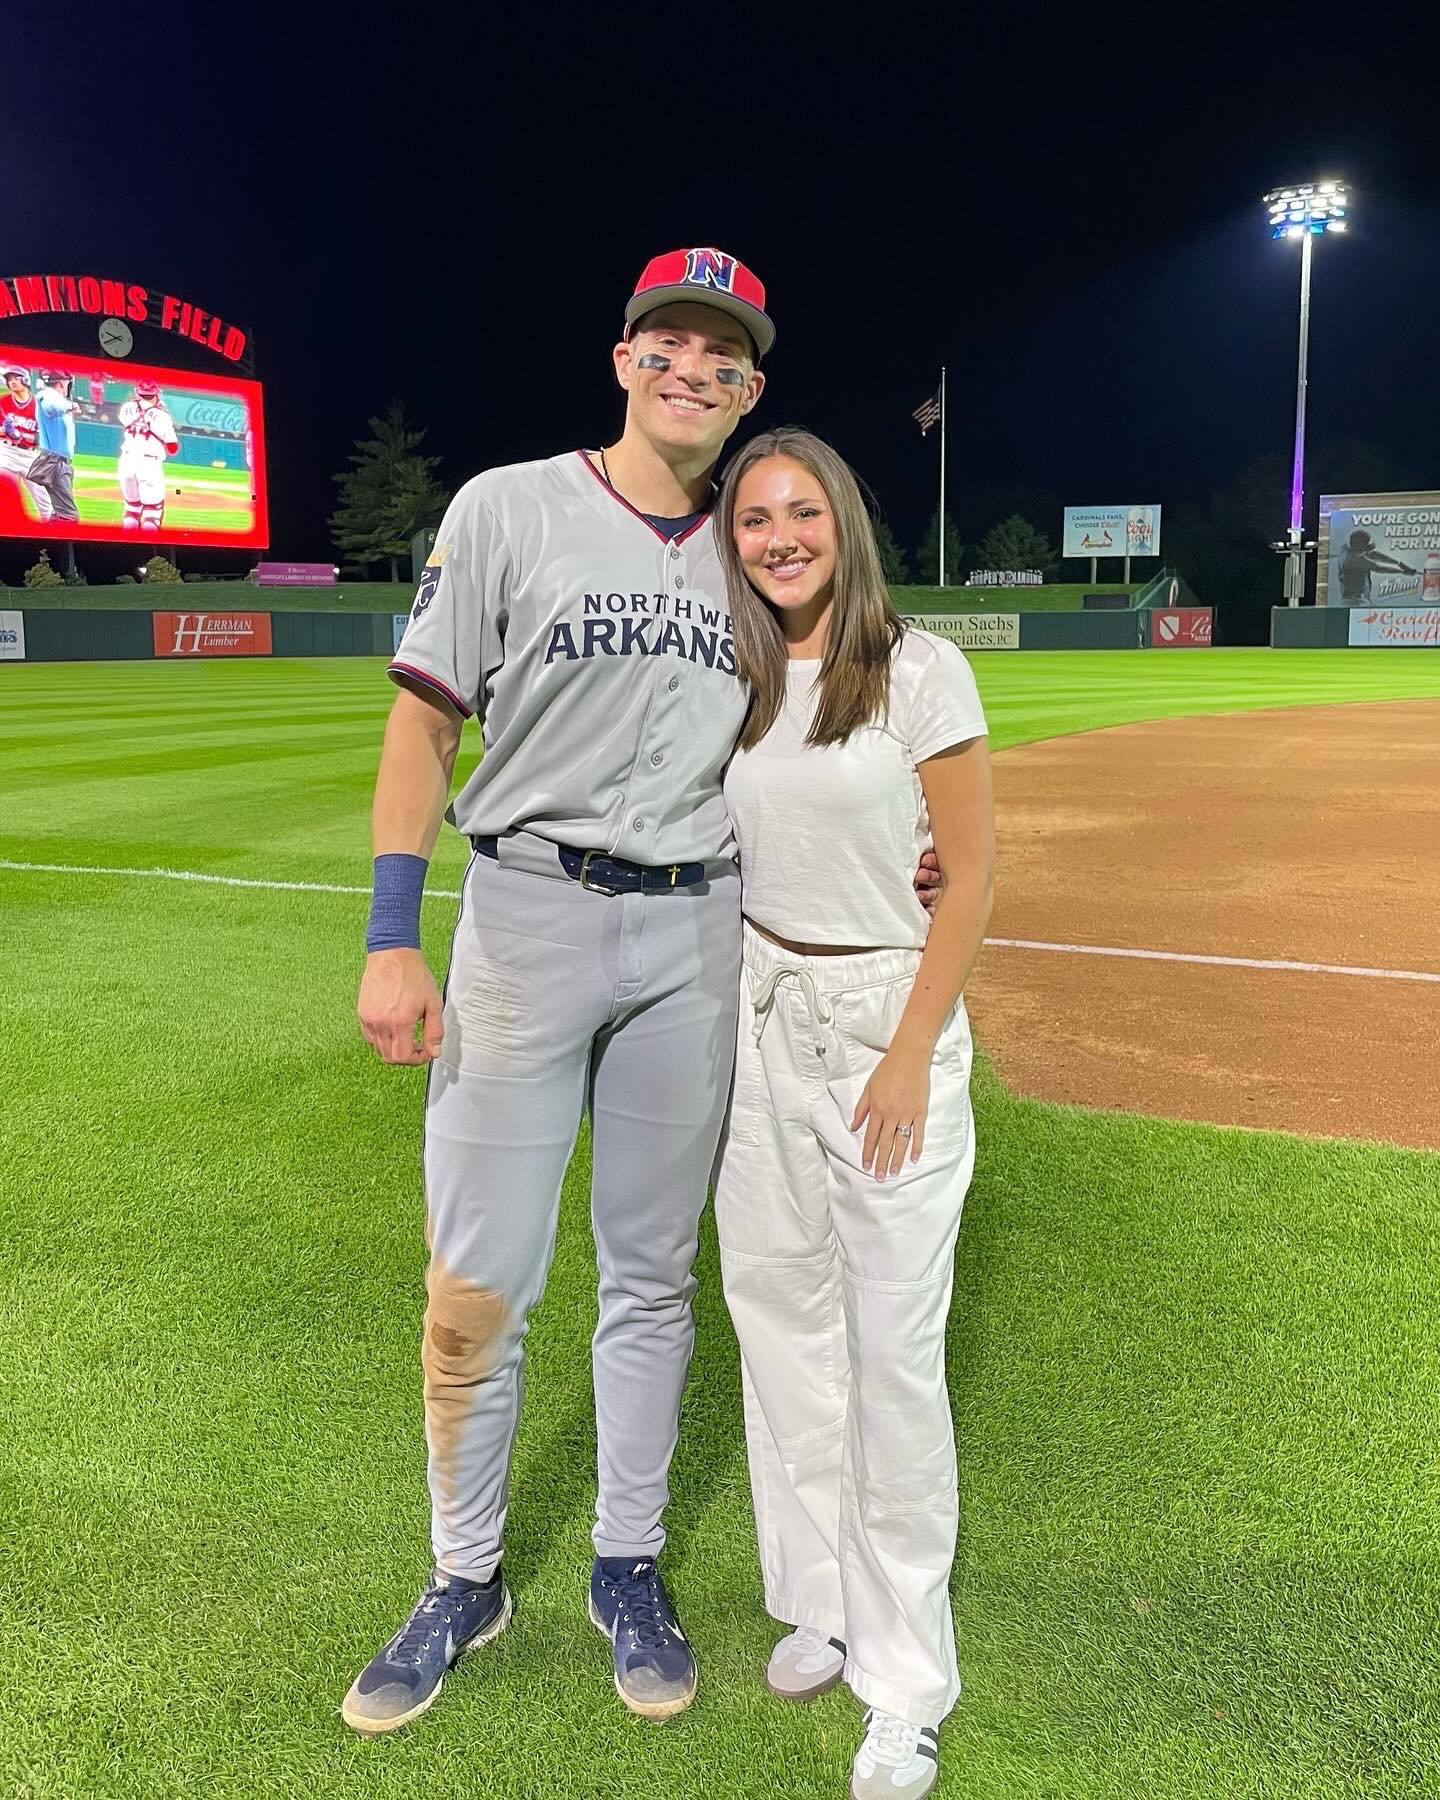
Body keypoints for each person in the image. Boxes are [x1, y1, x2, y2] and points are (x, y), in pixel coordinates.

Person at [345, 247, 776, 1737]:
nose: (693, 371)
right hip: (525, 916)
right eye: (670, 341)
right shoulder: (509, 506)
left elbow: (819, 736)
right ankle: (464, 1576)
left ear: (751, 389)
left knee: (652, 1273)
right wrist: (392, 936)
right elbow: (423, 734)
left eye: (724, 356)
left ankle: (625, 1561)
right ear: (623, 359)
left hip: (694, 934)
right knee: (478, 1279)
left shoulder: (760, 547)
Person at [713, 429, 994, 1800]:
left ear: (845, 522)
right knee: (782, 1329)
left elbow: (976, 875)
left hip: (889, 1027)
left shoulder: (922, 668)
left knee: (892, 1359)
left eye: (801, 511)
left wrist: (908, 1051)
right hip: (761, 1024)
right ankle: (819, 1601)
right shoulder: (735, 672)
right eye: (755, 517)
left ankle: (905, 1685)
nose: (778, 537)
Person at [117, 378, 179, 531]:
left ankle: (127, 544)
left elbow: (128, 418)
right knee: (153, 511)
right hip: (149, 464)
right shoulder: (162, 416)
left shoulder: (127, 407)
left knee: (132, 508)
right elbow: (172, 447)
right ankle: (151, 551)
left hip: (126, 461)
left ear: (138, 393)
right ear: (156, 394)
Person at [0, 367, 55, 521]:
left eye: (16, 378)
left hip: (29, 455)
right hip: (6, 452)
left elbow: (45, 436)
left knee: (45, 503)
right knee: (6, 496)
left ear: (25, 380)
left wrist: (24, 435)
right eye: (9, 379)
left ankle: (52, 537)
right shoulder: (3, 402)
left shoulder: (39, 405)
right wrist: (6, 430)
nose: (12, 382)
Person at [30, 370, 81, 523]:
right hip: (54, 461)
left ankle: (47, 543)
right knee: (69, 516)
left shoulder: (54, 398)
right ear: (63, 382)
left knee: (60, 513)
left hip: (59, 462)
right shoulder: (47, 395)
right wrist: (72, 405)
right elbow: (50, 405)